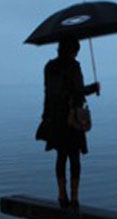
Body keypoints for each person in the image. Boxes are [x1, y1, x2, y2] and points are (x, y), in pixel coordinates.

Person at [37, 37, 100, 208]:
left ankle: (61, 194)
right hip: (72, 118)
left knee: (61, 156)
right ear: (73, 50)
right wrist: (93, 88)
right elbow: (78, 91)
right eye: (76, 51)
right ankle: (74, 197)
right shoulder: (74, 66)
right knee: (74, 157)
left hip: (56, 117)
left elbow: (47, 93)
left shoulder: (49, 67)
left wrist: (45, 116)